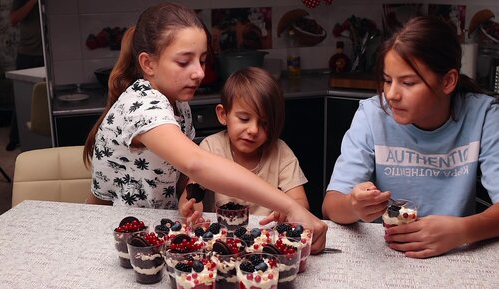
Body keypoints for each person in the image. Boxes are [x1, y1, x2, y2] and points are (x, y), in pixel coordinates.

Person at [82, 3, 327, 253]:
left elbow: (183, 178)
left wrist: (191, 202)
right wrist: (290, 206)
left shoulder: (178, 104)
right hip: (114, 234)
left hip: (154, 233)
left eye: (202, 60)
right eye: (184, 61)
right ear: (148, 64)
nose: (199, 73)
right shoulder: (142, 106)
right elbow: (196, 164)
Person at [322, 16, 499, 258]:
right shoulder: (372, 114)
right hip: (386, 255)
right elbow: (331, 206)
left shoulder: (483, 115)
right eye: (387, 80)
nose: (392, 95)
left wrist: (463, 230)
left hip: (456, 253)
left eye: (407, 82)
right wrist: (353, 206)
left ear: (448, 81)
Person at [178, 67, 309, 223]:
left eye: (264, 123)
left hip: (266, 237)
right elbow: (192, 192)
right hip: (223, 237)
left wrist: (286, 213)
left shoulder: (281, 153)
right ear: (223, 115)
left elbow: (300, 203)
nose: (253, 130)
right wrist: (191, 208)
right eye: (244, 119)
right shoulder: (211, 147)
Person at [7, 0, 45, 151]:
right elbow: (13, 19)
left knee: (45, 97)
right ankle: (15, 137)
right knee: (22, 95)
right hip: (28, 53)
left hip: (50, 53)